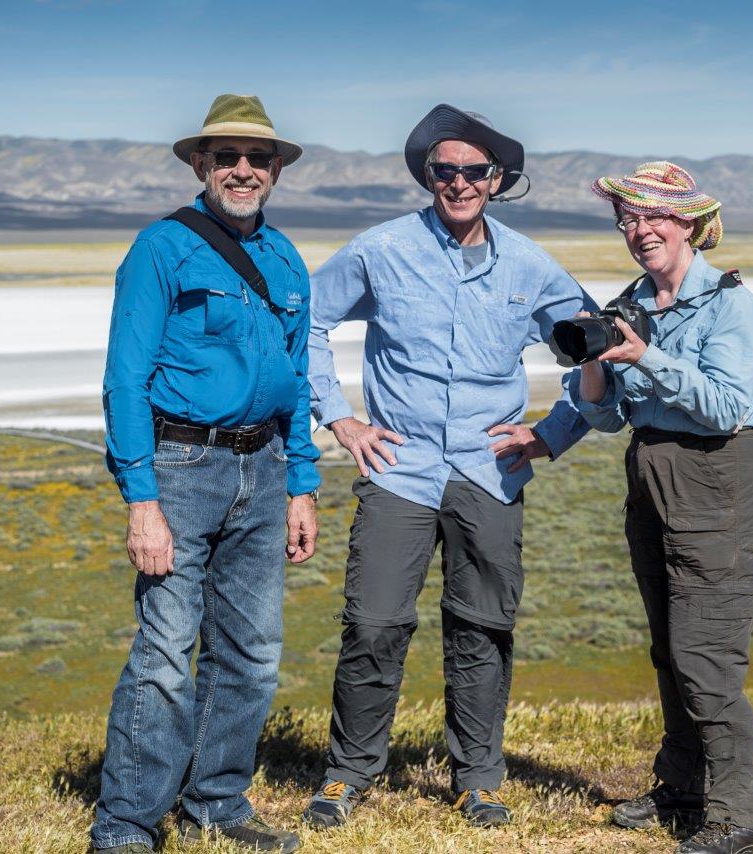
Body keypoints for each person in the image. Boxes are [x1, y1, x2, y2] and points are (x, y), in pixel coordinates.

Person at [301, 104, 597, 829]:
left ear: (497, 180)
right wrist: (338, 417)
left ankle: (478, 778)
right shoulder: (381, 249)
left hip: (487, 471)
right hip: (398, 467)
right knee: (373, 622)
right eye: (445, 170)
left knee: (483, 626)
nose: (459, 183)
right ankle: (349, 772)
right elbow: (304, 320)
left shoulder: (529, 264)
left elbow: (595, 347)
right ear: (429, 176)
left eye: (474, 171)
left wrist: (551, 435)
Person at [90, 94, 320, 854]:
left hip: (265, 464)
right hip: (181, 466)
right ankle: (126, 825)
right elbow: (125, 379)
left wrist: (302, 483)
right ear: (201, 165)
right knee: (164, 653)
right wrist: (141, 500)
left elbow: (297, 376)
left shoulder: (287, 261)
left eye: (258, 159)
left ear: (277, 170)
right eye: (227, 157)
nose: (243, 170)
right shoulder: (161, 248)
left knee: (252, 653)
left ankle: (218, 804)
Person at [568, 162, 753, 854]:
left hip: (715, 476)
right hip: (651, 472)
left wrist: (647, 354)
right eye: (628, 218)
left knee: (705, 654)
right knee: (668, 648)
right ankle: (682, 784)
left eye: (654, 216)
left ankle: (737, 816)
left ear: (690, 224)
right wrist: (594, 362)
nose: (639, 229)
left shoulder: (730, 306)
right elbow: (607, 418)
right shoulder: (632, 301)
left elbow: (726, 406)